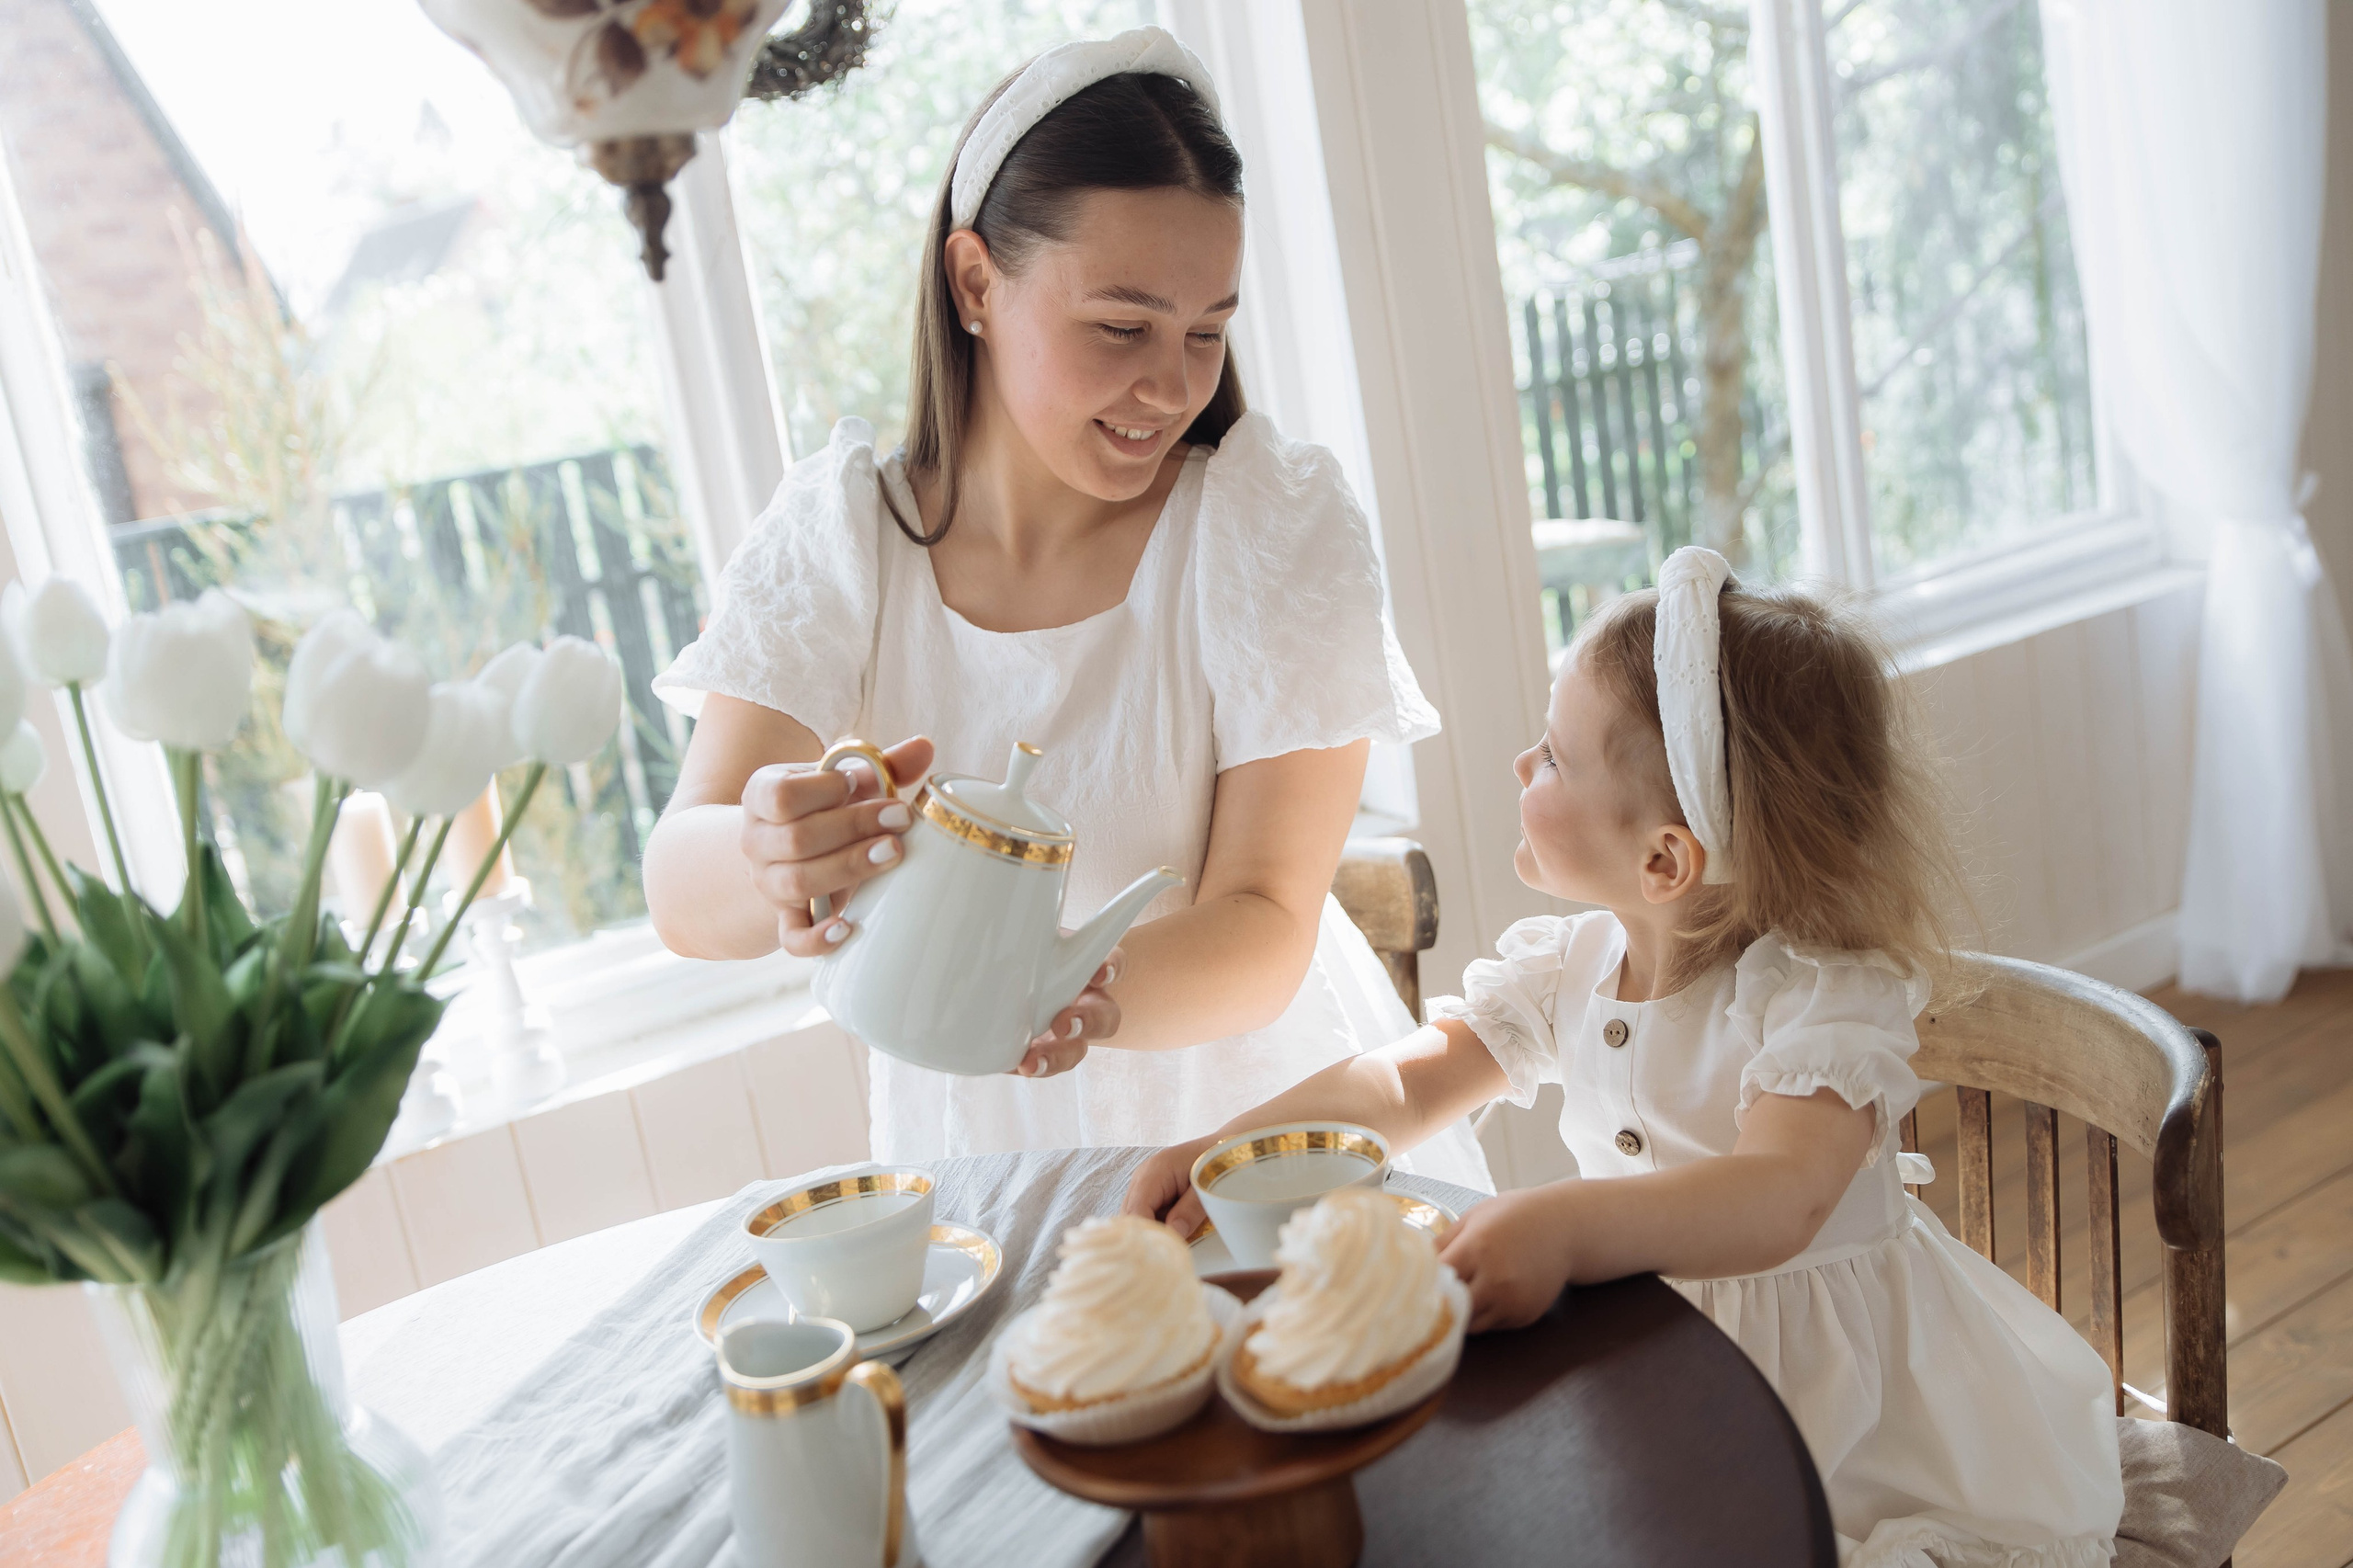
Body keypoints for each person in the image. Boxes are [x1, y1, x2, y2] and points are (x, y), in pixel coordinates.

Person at [1126, 549, 2125, 1566]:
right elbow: (1406, 1078)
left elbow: (1781, 1194)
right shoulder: (1569, 966)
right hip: (1646, 1356)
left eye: (1554, 756)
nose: (1523, 765)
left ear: (1663, 859)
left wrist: (1561, 1223)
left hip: (1841, 1419)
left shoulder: (1816, 995)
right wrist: (1232, 1140)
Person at [643, 28, 1490, 1188]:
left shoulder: (1265, 526)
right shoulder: (847, 537)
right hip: (972, 1170)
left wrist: (1062, 988)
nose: (1172, 384)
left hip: (1253, 1149)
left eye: (1207, 331)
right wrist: (770, 849)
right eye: (1121, 326)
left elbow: (1263, 925)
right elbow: (682, 893)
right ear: (976, 281)